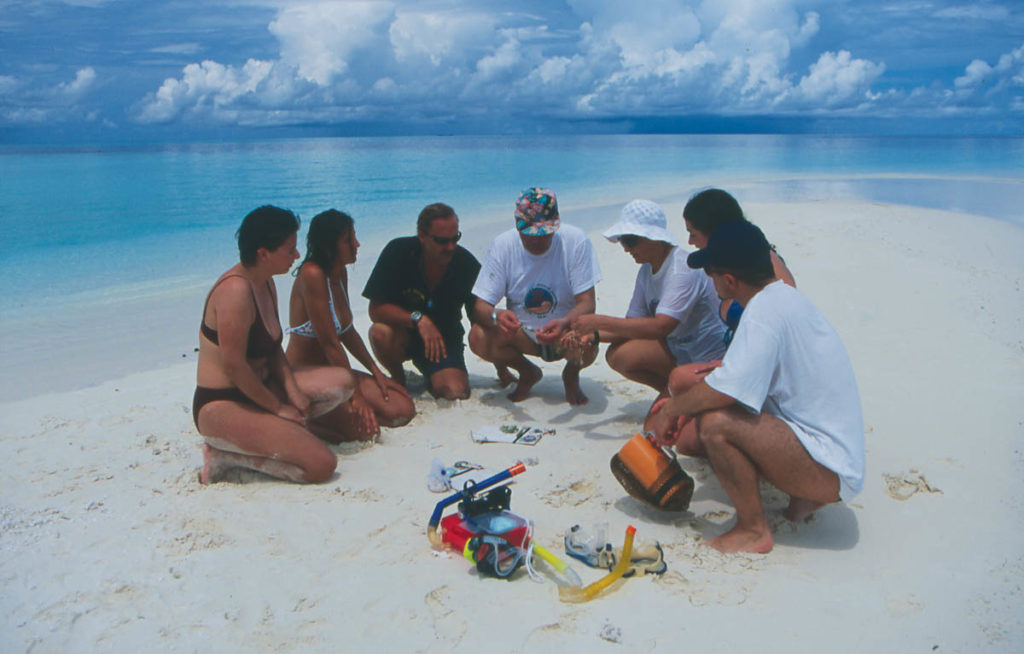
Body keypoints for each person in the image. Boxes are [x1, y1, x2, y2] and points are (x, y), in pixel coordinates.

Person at [647, 220, 865, 554]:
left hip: (831, 467)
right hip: (834, 455)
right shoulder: (781, 299)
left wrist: (674, 409)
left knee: (715, 423)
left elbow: (727, 391)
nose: (710, 280)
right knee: (704, 411)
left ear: (729, 280)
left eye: (711, 274)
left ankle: (753, 530)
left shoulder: (763, 311)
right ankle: (804, 499)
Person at [193, 206, 356, 484]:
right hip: (223, 403)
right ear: (263, 253)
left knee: (343, 381)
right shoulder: (235, 291)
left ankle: (286, 432)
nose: (296, 256)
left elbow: (273, 348)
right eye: (289, 249)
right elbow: (234, 367)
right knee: (321, 465)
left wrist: (294, 394)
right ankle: (226, 456)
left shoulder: (265, 281)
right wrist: (278, 407)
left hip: (263, 387)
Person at [571, 199, 725, 396]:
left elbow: (661, 326)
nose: (626, 249)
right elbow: (632, 324)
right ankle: (672, 392)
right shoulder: (646, 271)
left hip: (710, 356)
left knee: (656, 422)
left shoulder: (681, 269)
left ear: (654, 238)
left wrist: (598, 322)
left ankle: (681, 394)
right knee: (618, 355)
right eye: (623, 242)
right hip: (679, 349)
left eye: (630, 241)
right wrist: (594, 335)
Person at [286, 209, 415, 440]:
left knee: (402, 408)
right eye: (348, 240)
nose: (356, 244)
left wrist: (375, 371)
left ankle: (328, 417)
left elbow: (346, 332)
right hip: (304, 374)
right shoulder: (312, 274)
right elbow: (329, 343)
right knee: (366, 430)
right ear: (329, 245)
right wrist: (355, 395)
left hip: (334, 371)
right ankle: (297, 419)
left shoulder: (339, 273)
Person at [469, 187, 602, 405]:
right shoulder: (503, 245)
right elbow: (481, 306)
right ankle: (527, 372)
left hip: (564, 333)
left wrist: (564, 322)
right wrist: (497, 315)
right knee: (477, 336)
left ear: (556, 225)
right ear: (517, 227)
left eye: (544, 232)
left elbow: (587, 303)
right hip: (521, 333)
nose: (537, 240)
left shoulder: (576, 240)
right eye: (529, 233)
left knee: (588, 338)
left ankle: (571, 374)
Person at [363, 202, 495, 400]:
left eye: (455, 238)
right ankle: (398, 378)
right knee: (379, 333)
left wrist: (501, 365)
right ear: (422, 236)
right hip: (403, 334)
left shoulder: (465, 264)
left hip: (443, 341)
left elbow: (479, 314)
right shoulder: (398, 252)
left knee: (454, 392)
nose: (450, 247)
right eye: (442, 241)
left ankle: (434, 373)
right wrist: (419, 319)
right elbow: (376, 310)